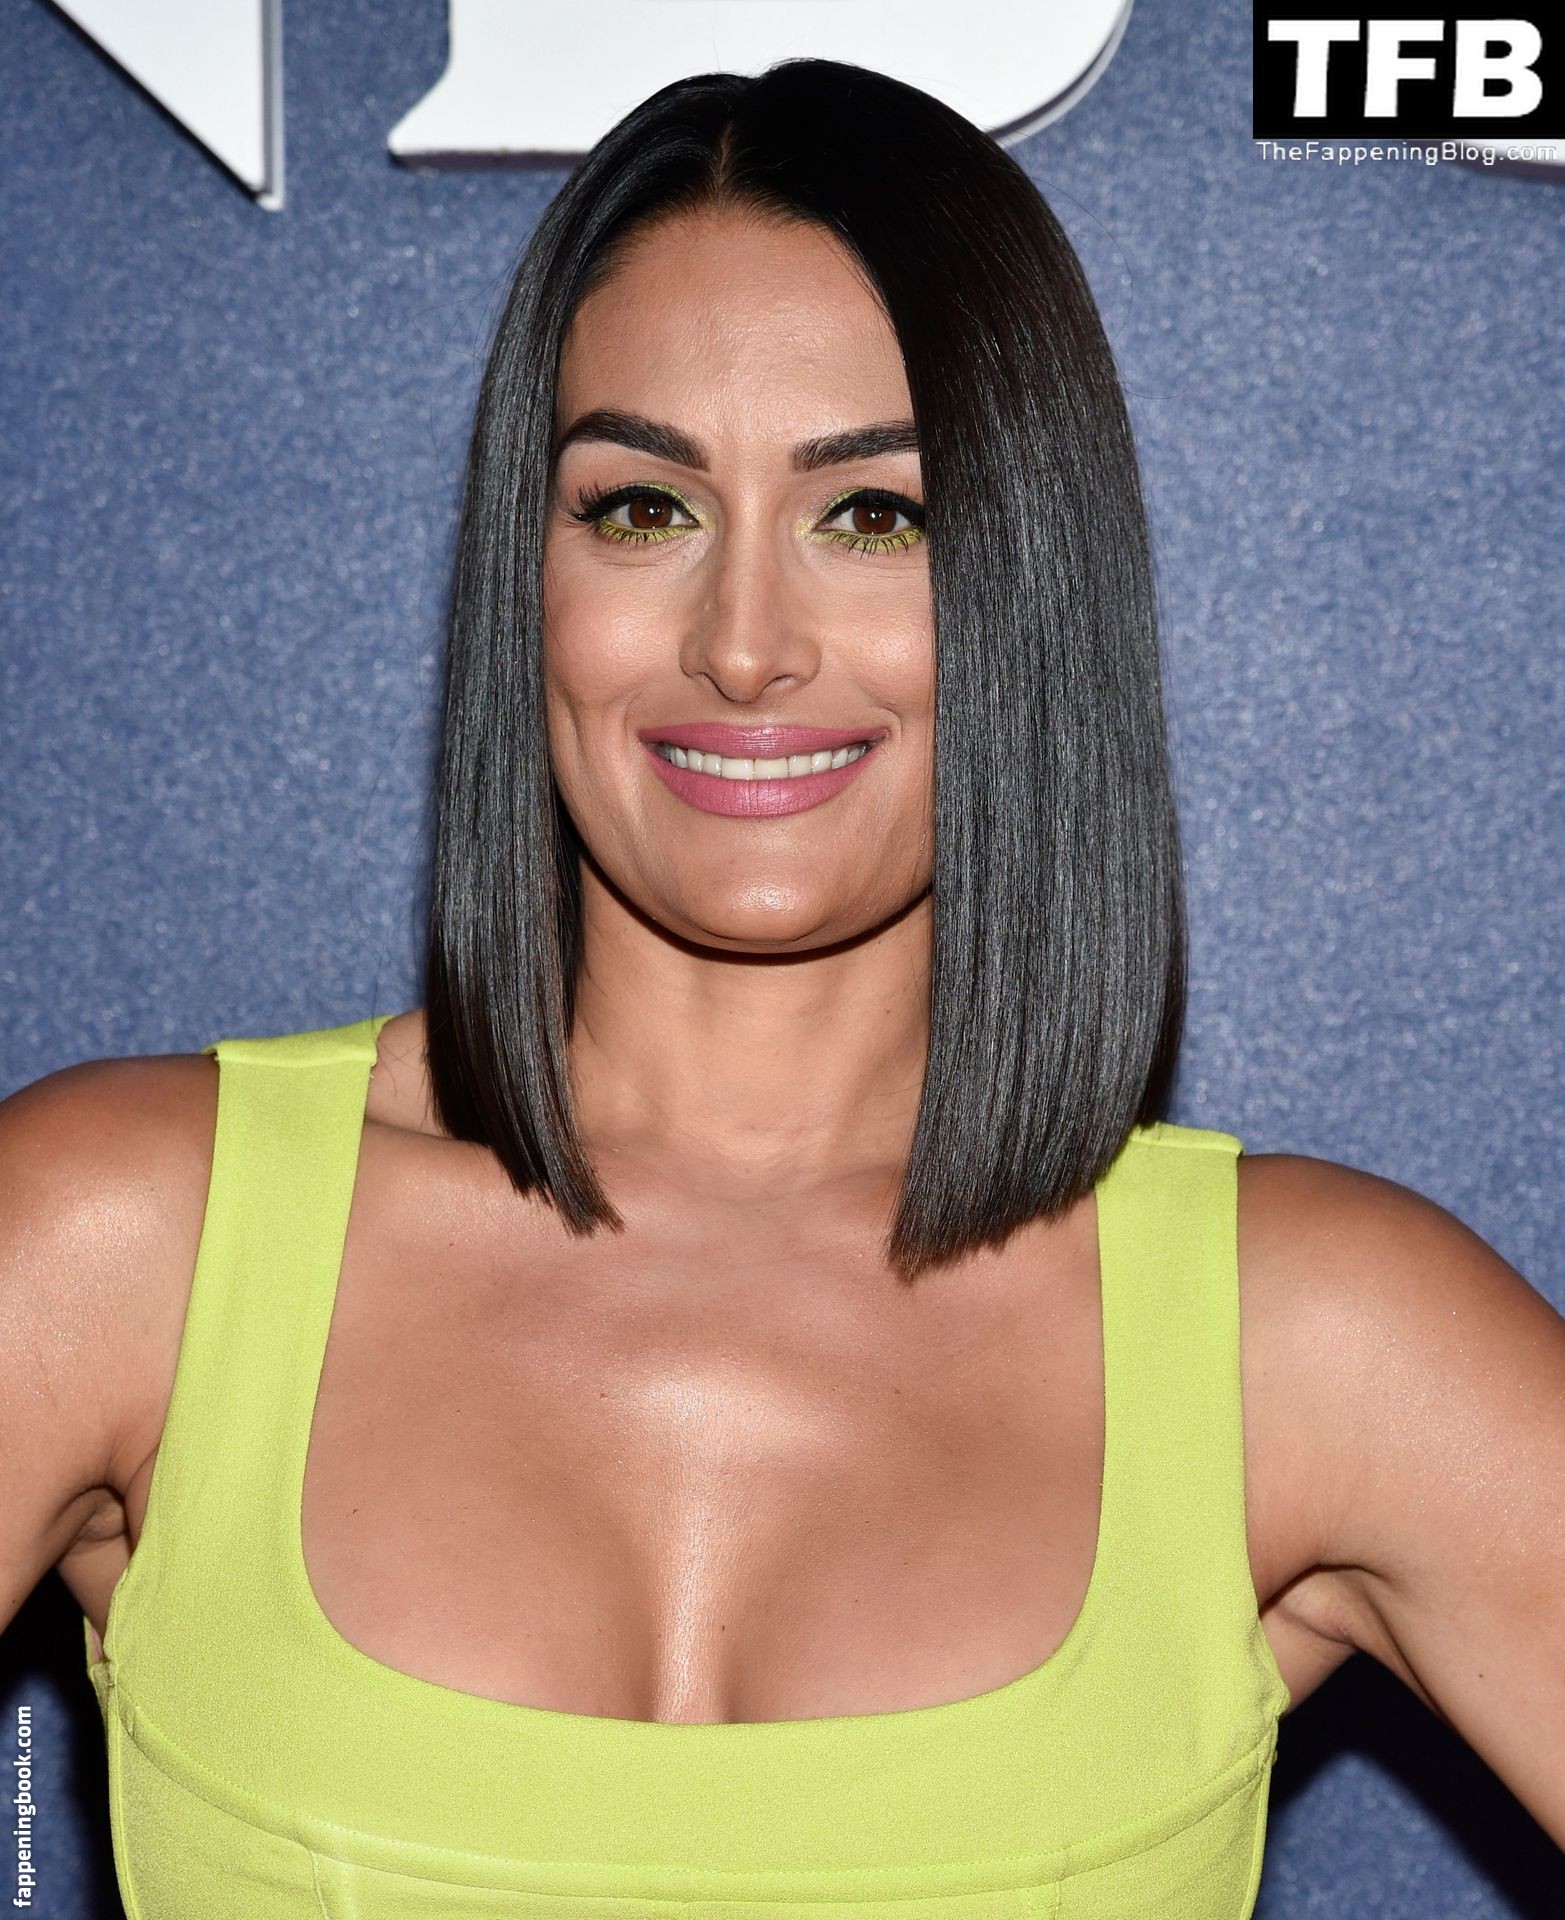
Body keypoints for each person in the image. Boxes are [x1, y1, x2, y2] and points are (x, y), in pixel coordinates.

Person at [3, 55, 1561, 1920]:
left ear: (1031, 581)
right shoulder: (119, 1249)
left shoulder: (1310, 1345)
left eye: (873, 515)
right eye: (641, 509)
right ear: (529, 574)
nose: (743, 644)